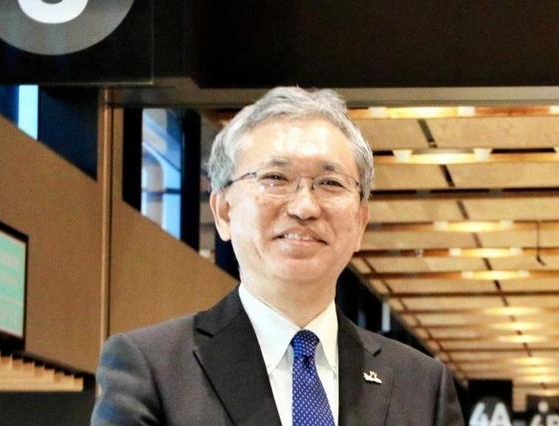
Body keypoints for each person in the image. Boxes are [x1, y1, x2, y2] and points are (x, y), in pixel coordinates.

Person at [90, 87, 465, 425]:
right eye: (275, 178)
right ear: (224, 212)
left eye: (330, 183)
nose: (305, 207)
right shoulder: (152, 369)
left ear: (360, 223)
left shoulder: (421, 386)